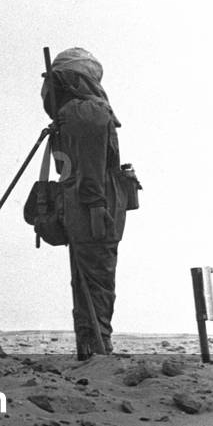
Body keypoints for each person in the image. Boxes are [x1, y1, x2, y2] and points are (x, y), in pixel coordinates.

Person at [42, 47, 136, 359]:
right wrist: (96, 207)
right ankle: (97, 346)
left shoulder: (76, 112)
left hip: (83, 204)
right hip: (93, 205)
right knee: (97, 277)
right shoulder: (87, 111)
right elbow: (91, 167)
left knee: (89, 277)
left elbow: (83, 165)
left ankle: (92, 346)